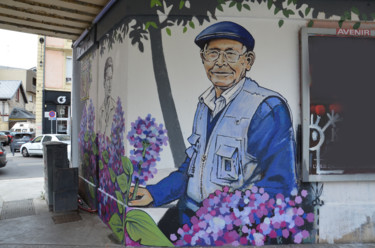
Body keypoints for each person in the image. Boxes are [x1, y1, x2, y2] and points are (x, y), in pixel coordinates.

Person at [129, 21, 297, 236]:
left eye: (231, 54)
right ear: (203, 59)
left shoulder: (266, 109)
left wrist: (223, 219)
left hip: (229, 230)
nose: (220, 63)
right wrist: (154, 193)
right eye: (213, 53)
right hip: (187, 217)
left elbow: (279, 186)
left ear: (248, 61)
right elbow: (192, 168)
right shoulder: (205, 103)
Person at [98, 57, 116, 137]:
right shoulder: (100, 110)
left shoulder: (116, 108)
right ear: (104, 82)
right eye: (108, 79)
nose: (110, 85)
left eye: (111, 79)